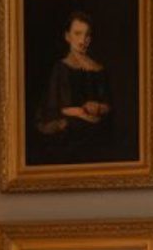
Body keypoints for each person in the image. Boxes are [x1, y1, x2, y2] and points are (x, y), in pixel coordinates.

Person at [32, 12, 113, 167]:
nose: (83, 40)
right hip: (70, 139)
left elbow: (109, 105)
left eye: (87, 35)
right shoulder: (60, 68)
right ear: (67, 36)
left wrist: (100, 108)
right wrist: (82, 111)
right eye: (77, 34)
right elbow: (52, 108)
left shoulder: (99, 69)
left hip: (98, 137)